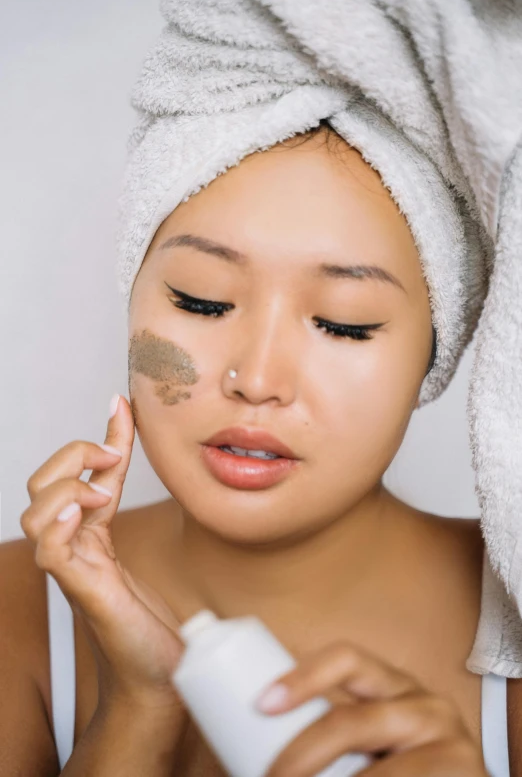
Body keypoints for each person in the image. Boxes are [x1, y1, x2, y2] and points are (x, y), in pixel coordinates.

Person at [1, 121, 518, 775]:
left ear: (434, 354)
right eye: (203, 300)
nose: (258, 381)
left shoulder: (516, 616)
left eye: (343, 322)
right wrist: (139, 707)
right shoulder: (13, 609)